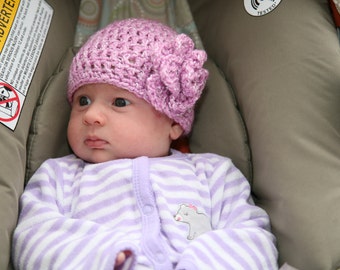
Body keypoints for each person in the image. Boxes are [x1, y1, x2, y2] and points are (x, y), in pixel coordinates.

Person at [12, 18, 278, 269]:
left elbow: (251, 235)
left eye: (119, 102)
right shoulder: (59, 177)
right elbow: (35, 237)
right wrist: (106, 256)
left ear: (173, 123)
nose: (91, 116)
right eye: (83, 101)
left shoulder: (213, 174)